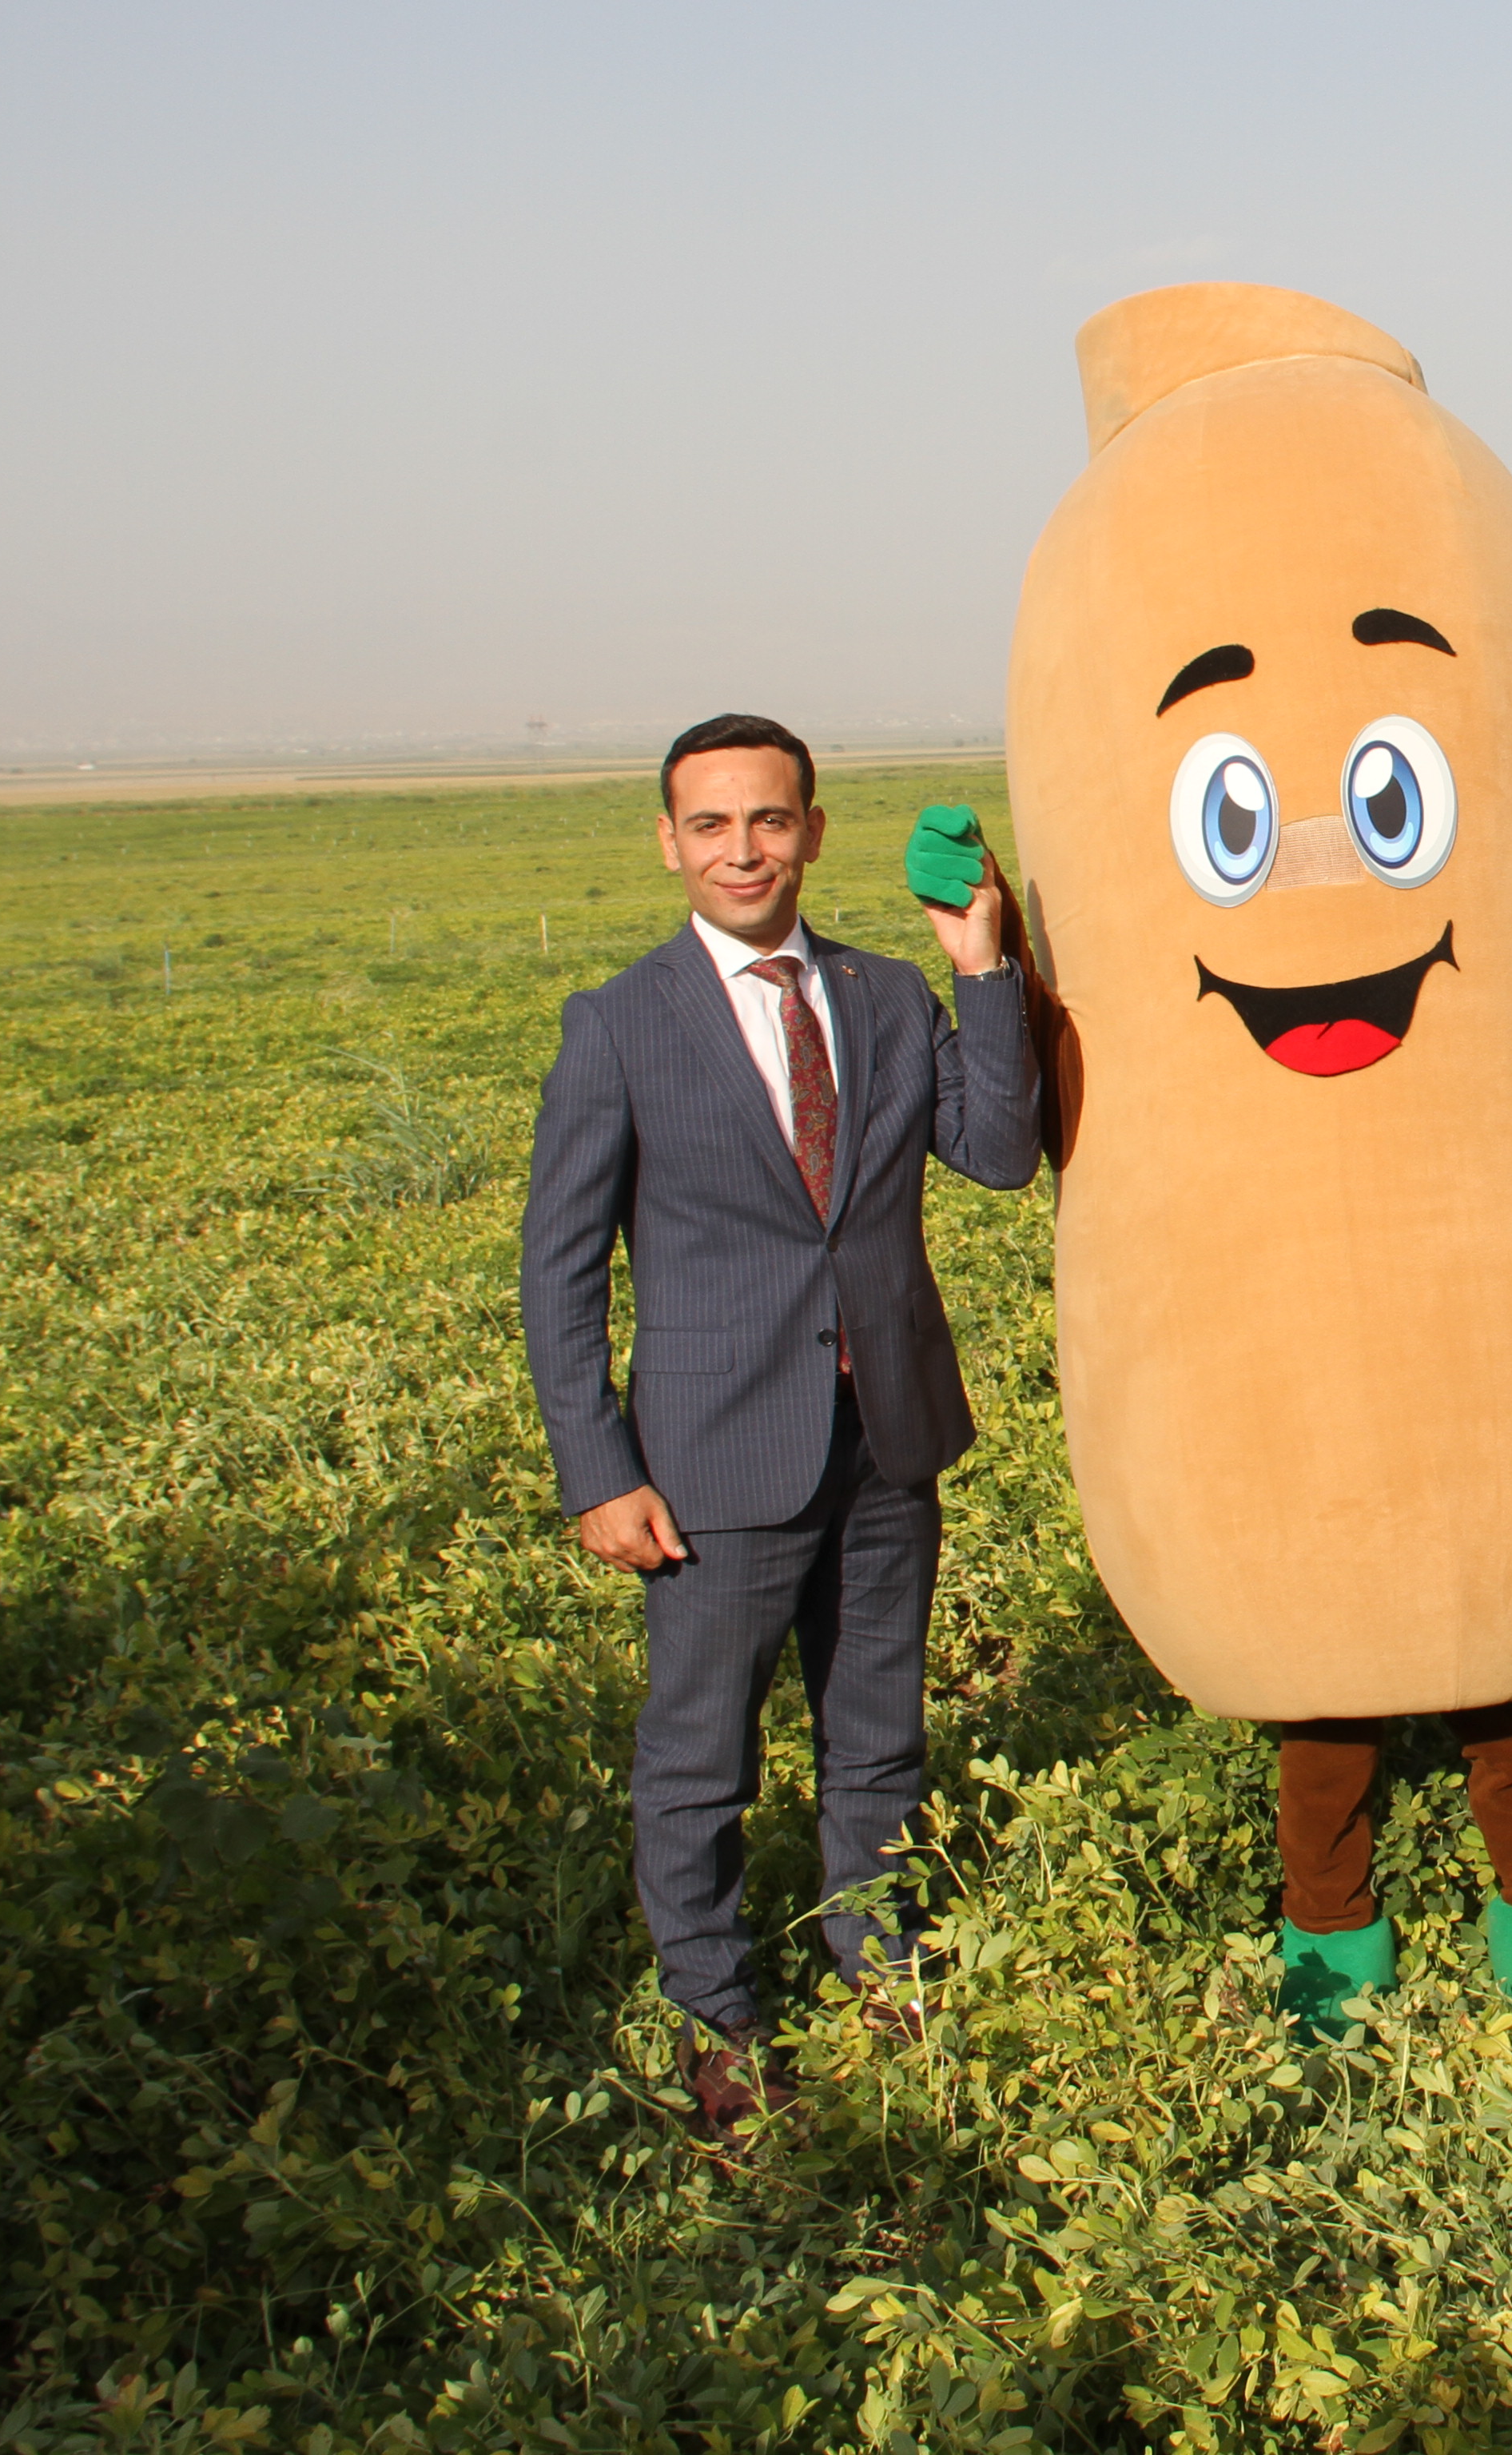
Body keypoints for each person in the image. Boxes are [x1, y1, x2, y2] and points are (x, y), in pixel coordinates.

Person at [519, 714, 1041, 2139]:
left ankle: (879, 1970)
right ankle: (717, 2019)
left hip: (886, 1439)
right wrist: (598, 1466)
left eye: (767, 820)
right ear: (670, 842)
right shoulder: (620, 1023)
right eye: (710, 825)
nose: (741, 849)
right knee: (700, 1760)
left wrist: (980, 965)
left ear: (811, 829)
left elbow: (996, 1154)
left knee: (876, 1736)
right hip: (711, 1459)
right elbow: (558, 1270)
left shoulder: (881, 999)